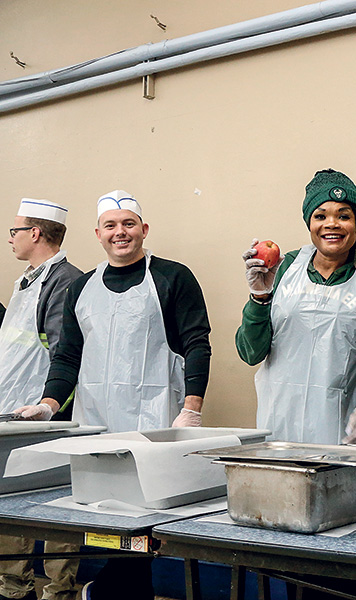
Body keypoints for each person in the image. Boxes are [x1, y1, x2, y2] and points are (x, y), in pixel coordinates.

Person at [14, 190, 212, 600]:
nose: (120, 232)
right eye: (110, 225)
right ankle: (112, 589)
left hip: (156, 426)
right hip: (98, 428)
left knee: (145, 526)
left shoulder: (173, 277)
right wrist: (49, 404)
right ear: (98, 234)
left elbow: (197, 344)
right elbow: (67, 356)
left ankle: (112, 589)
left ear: (143, 229)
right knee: (102, 519)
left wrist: (191, 408)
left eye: (128, 224)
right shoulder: (81, 288)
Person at [236, 169, 356, 445]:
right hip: (277, 427)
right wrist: (259, 296)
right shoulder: (284, 268)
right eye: (320, 216)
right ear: (309, 223)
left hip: (338, 432)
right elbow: (251, 353)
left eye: (344, 216)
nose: (331, 224)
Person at [0, 199, 83, 600]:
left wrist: (48, 404)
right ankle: (14, 586)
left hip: (46, 413)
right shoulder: (28, 280)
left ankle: (58, 591)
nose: (10, 239)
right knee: (12, 499)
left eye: (15, 231)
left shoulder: (65, 281)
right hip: (14, 408)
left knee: (55, 504)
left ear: (35, 233)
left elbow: (64, 353)